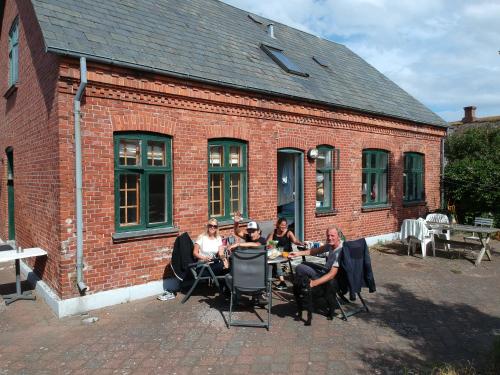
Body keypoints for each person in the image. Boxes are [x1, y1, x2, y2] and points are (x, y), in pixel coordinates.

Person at [267, 217, 304, 290]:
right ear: (278, 224)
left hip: (287, 253)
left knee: (276, 260)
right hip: (277, 252)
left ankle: (282, 282)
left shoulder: (288, 232)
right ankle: (268, 278)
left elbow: (295, 241)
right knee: (269, 257)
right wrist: (270, 244)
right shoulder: (274, 232)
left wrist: (301, 243)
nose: (283, 227)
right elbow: (268, 243)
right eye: (282, 225)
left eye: (285, 225)